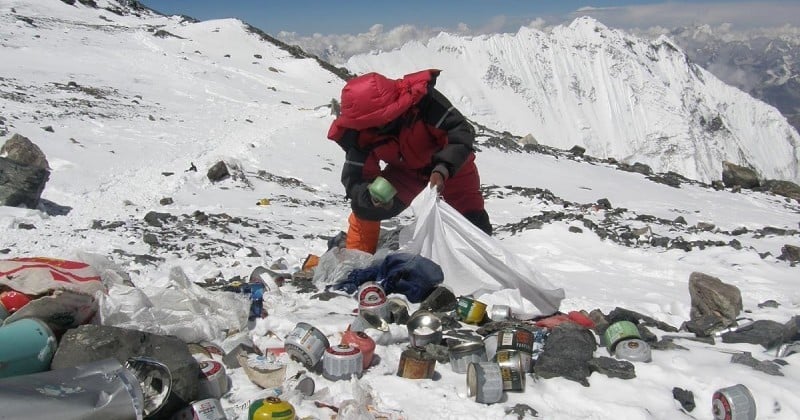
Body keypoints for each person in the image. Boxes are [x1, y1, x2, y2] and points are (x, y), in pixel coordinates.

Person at [327, 69, 492, 254]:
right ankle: (357, 260)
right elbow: (357, 177)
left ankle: (481, 264)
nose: (375, 129)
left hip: (451, 167)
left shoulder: (423, 102)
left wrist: (443, 169)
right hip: (405, 173)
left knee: (473, 223)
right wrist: (369, 198)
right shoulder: (361, 132)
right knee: (365, 211)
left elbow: (459, 134)